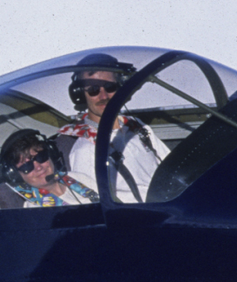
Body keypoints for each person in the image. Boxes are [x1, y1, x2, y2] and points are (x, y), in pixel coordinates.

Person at [55, 53, 169, 202]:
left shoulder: (137, 126)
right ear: (81, 95)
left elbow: (170, 165)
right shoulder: (85, 148)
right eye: (93, 90)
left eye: (110, 87)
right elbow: (95, 203)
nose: (104, 96)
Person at [0, 129, 95, 209]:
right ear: (16, 175)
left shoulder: (76, 177)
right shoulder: (34, 210)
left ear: (51, 155)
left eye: (41, 157)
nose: (39, 167)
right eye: (27, 166)